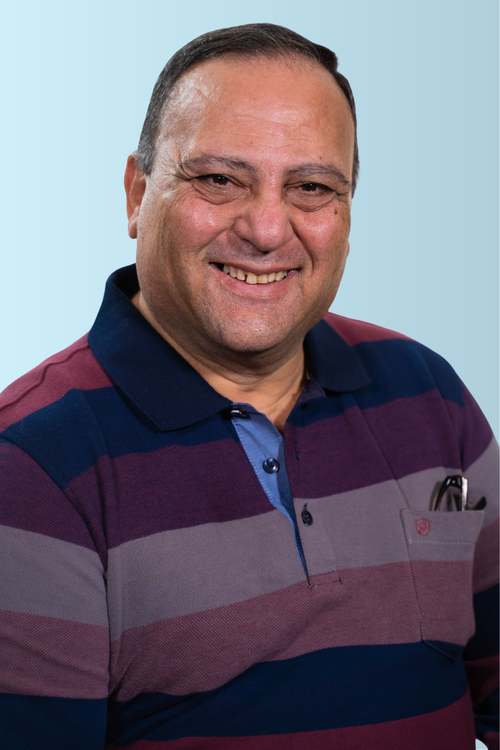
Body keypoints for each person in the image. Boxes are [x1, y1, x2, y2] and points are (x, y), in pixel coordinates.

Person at [0, 23, 498, 750]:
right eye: (219, 180)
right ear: (137, 194)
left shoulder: (428, 396)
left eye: (312, 187)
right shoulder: (30, 467)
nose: (266, 229)